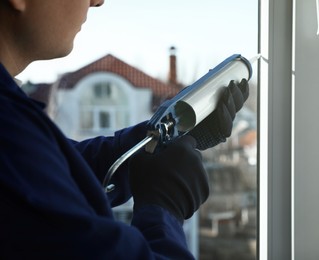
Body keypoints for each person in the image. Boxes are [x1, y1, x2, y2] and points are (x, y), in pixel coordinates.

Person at [0, 0, 249, 259]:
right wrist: (164, 209)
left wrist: (166, 136)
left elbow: (53, 170)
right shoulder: (9, 135)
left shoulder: (12, 123)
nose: (98, 1)